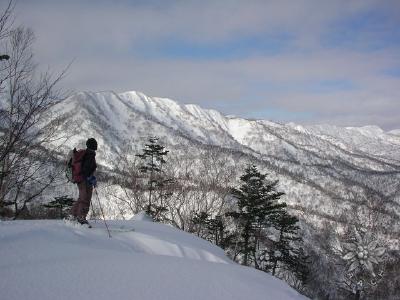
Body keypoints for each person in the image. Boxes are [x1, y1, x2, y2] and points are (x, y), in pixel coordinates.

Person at [71, 138, 98, 225]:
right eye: (95, 144)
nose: (96, 145)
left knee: (81, 198)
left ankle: (73, 215)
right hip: (84, 180)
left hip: (80, 179)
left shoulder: (85, 153)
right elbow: (86, 170)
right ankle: (81, 218)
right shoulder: (90, 155)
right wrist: (91, 178)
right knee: (85, 199)